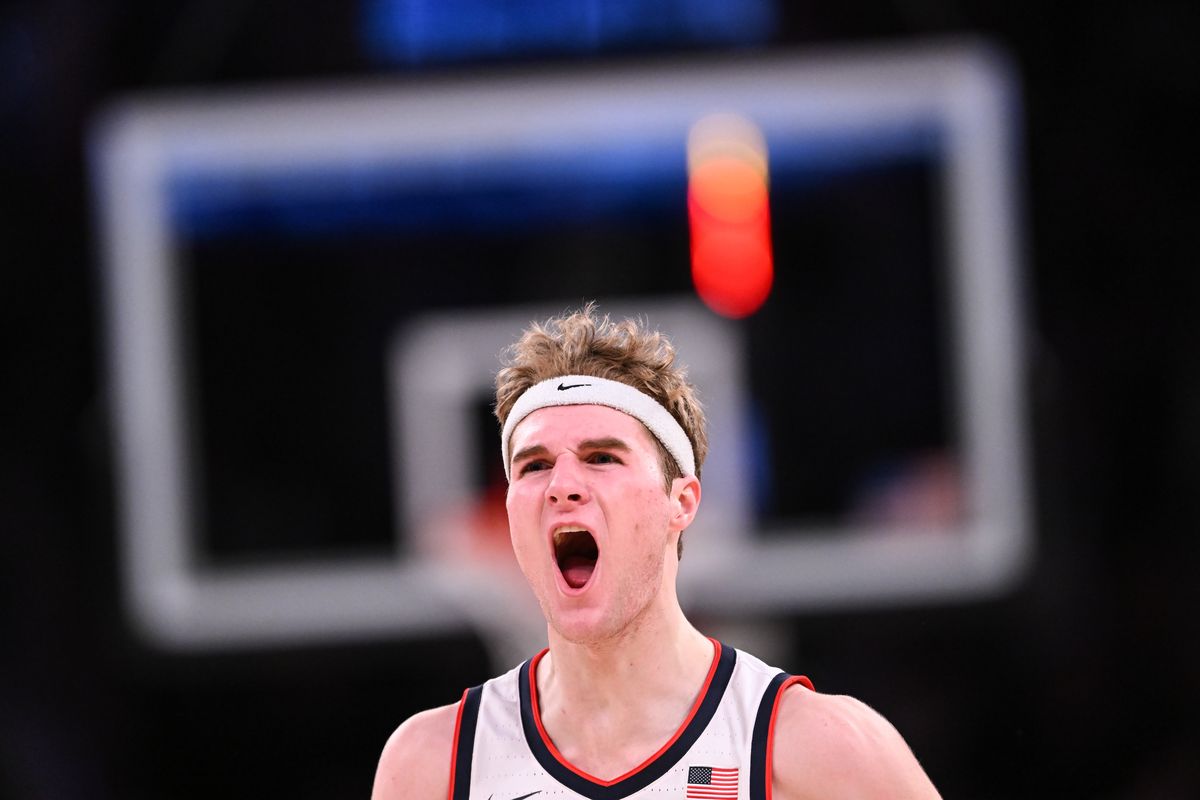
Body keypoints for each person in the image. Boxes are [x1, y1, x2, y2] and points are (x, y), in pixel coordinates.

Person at [373, 305, 941, 800]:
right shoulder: (433, 765)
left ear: (682, 501)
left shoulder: (810, 743)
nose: (561, 484)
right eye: (535, 464)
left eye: (601, 457)